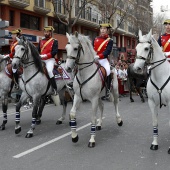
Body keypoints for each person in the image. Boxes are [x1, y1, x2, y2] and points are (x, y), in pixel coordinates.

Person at [93, 23, 113, 100]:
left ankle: (108, 90)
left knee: (107, 71)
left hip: (103, 60)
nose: (103, 30)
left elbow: (107, 51)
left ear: (107, 31)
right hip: (94, 59)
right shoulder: (95, 39)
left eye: (104, 29)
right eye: (101, 29)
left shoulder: (110, 40)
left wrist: (99, 56)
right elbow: (92, 48)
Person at [37, 26, 58, 95]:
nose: (46, 33)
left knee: (49, 71)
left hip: (50, 60)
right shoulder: (41, 41)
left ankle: (54, 88)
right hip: (41, 60)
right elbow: (37, 51)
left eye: (47, 32)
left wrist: (46, 55)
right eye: (45, 32)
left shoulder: (54, 41)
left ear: (50, 32)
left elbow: (54, 52)